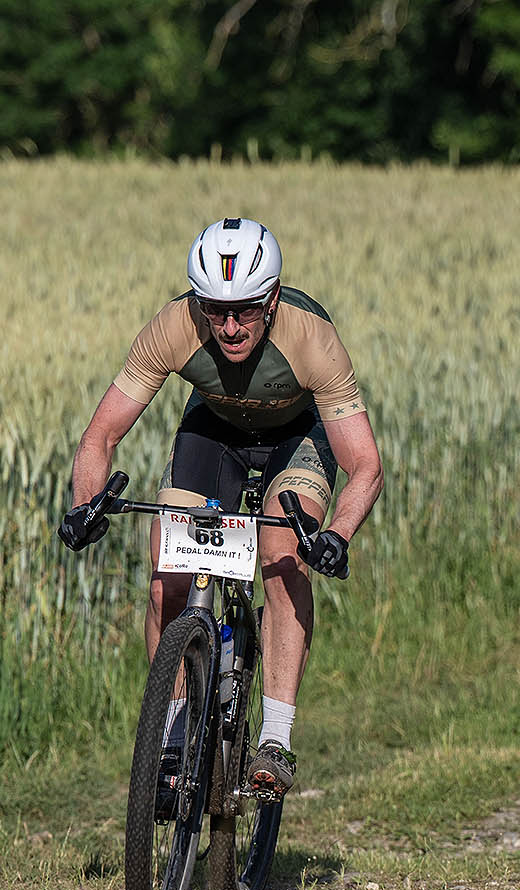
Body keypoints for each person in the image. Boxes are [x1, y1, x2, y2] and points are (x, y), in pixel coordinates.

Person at [58, 216, 384, 796]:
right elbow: (100, 435)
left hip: (295, 436)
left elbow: (365, 465)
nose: (230, 327)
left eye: (246, 311)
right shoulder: (174, 326)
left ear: (273, 298)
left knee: (283, 554)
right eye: (216, 310)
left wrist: (338, 533)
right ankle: (174, 734)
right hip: (214, 432)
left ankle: (275, 740)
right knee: (167, 577)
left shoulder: (313, 340)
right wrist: (85, 505)